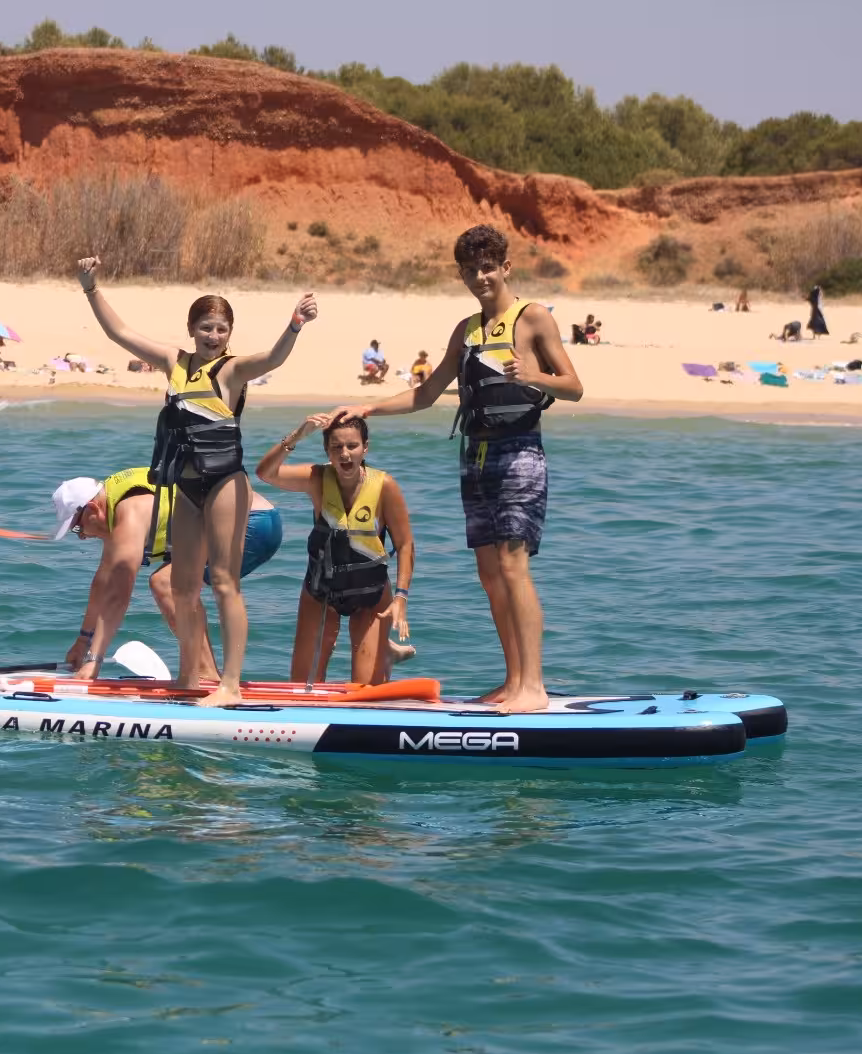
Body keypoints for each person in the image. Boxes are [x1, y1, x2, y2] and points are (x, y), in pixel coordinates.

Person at [329, 224, 583, 713]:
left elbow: (573, 385)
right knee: (490, 574)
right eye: (471, 270)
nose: (480, 277)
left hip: (519, 454)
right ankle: (512, 681)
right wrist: (370, 409)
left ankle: (534, 685)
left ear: (506, 268)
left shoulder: (532, 320)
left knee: (513, 566)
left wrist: (532, 375)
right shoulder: (465, 331)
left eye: (488, 267)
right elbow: (425, 394)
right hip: (476, 457)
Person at [77, 254, 318, 706]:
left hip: (226, 483)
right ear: (192, 329)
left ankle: (230, 684)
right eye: (206, 327)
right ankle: (189, 677)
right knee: (183, 586)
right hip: (184, 487)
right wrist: (91, 288)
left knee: (225, 582)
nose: (213, 336)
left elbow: (273, 357)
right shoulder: (174, 362)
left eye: (221, 329)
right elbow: (120, 333)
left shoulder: (232, 370)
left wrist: (294, 325)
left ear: (230, 334)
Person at [50, 469, 283, 681]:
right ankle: (208, 672)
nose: (81, 537)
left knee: (165, 583)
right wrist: (83, 641)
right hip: (253, 519)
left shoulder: (130, 512)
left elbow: (118, 595)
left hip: (254, 524)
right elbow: (103, 584)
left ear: (92, 508)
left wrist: (94, 661)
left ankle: (206, 673)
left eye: (78, 528)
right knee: (168, 582)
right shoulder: (115, 506)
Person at [255, 414, 416, 684]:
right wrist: (297, 435)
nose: (344, 454)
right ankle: (382, 650)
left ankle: (381, 651)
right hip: (321, 593)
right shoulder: (317, 478)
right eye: (336, 447)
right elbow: (265, 473)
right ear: (327, 451)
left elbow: (405, 544)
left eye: (352, 446)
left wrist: (401, 596)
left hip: (371, 595)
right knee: (302, 688)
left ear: (366, 447)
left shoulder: (384, 486)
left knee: (365, 696)